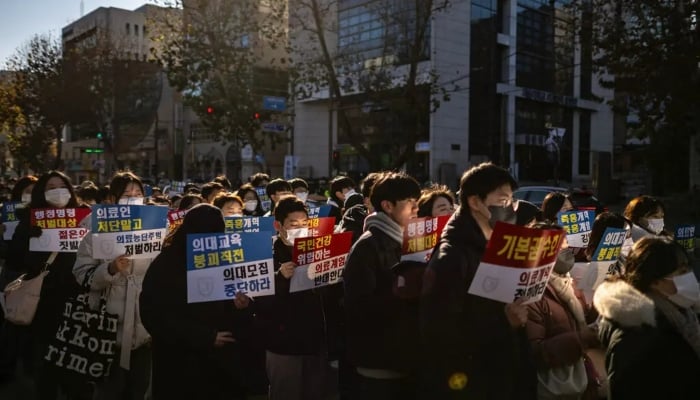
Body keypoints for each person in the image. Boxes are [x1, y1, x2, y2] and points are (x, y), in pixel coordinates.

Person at [420, 162, 535, 399]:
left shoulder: (499, 245)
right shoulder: (451, 256)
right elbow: (440, 332)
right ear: (475, 202)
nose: (510, 208)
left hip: (502, 374)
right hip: (472, 383)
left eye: (512, 201)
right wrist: (505, 322)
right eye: (502, 201)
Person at [140, 203, 252, 400]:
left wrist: (240, 306)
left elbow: (230, 307)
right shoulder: (166, 265)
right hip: (179, 365)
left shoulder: (227, 258)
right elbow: (155, 317)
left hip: (220, 369)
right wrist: (204, 337)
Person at [73, 171, 153, 400]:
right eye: (127, 194)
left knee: (139, 389)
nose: (134, 197)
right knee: (110, 390)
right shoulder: (96, 229)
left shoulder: (154, 228)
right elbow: (81, 273)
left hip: (144, 327)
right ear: (113, 199)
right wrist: (109, 269)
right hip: (107, 328)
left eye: (138, 193)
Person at [343, 171, 422, 399]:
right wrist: (403, 289)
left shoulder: (412, 242)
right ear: (388, 205)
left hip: (407, 357)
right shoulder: (367, 246)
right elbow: (357, 307)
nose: (417, 209)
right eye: (410, 203)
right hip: (379, 363)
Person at [10, 171, 88, 399]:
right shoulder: (29, 220)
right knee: (45, 365)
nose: (57, 191)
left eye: (61, 185)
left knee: (76, 368)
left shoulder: (83, 216)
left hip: (77, 303)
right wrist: (30, 237)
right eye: (50, 187)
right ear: (41, 193)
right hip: (43, 302)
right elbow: (15, 260)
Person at [593, 236, 700, 399]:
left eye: (689, 269)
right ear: (655, 281)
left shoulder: (683, 316)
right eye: (682, 272)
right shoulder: (634, 338)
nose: (691, 277)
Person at [262, 195, 328, 400]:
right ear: (278, 225)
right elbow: (260, 302)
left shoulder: (319, 251)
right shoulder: (266, 256)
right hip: (283, 345)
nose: (300, 228)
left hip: (314, 341)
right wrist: (279, 277)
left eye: (304, 223)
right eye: (293, 224)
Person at [525, 225, 602, 400]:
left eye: (566, 245)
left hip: (582, 378)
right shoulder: (532, 293)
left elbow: (583, 317)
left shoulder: (567, 281)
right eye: (558, 247)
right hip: (556, 387)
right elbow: (535, 353)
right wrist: (580, 339)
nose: (565, 251)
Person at [338, 172, 385, 244]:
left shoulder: (394, 221)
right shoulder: (353, 218)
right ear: (367, 200)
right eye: (381, 197)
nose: (387, 204)